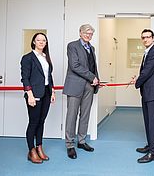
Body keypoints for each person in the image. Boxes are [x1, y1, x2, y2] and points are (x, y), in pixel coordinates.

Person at [63, 24, 99, 159]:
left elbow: (93, 67)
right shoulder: (72, 46)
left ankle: (82, 141)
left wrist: (97, 80)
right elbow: (75, 65)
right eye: (86, 33)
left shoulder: (92, 48)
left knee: (85, 114)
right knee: (72, 115)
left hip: (89, 86)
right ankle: (70, 145)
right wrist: (92, 77)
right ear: (80, 33)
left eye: (91, 33)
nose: (88, 35)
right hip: (75, 85)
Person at [20, 32, 56, 164]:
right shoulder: (28, 58)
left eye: (44, 40)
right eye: (39, 40)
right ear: (34, 42)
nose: (41, 42)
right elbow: (25, 78)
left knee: (41, 121)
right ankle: (31, 151)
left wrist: (52, 91)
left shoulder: (46, 57)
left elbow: (49, 77)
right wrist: (30, 95)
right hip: (34, 94)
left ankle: (39, 147)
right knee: (33, 122)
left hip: (46, 93)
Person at [131, 29, 154, 163]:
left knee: (153, 122)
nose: (145, 39)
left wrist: (136, 82)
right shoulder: (148, 52)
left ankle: (153, 153)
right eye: (143, 37)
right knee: (148, 121)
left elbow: (147, 73)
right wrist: (138, 79)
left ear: (153, 38)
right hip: (147, 92)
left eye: (148, 37)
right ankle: (150, 145)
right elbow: (145, 72)